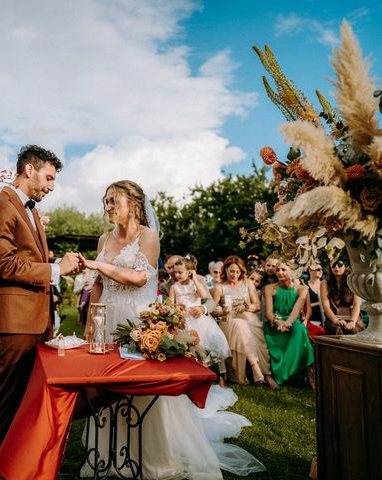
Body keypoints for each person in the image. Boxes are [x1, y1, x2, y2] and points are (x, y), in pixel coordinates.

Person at [80, 180, 265, 479]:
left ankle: (154, 457)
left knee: (142, 388)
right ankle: (110, 453)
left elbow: (140, 278)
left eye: (114, 201)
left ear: (134, 205)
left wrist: (97, 266)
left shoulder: (147, 236)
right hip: (108, 318)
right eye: (106, 201)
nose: (108, 207)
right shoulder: (104, 239)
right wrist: (92, 319)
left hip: (135, 320)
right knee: (109, 385)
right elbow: (99, 285)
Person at [0, 145, 81, 465]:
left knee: (33, 394)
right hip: (15, 321)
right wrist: (56, 269)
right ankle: (1, 464)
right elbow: (6, 265)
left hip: (38, 319)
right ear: (29, 170)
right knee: (9, 394)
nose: (52, 186)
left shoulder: (31, 210)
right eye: (49, 178)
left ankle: (26, 460)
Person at [211, 255, 276, 388]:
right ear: (226, 270)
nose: (234, 274)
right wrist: (223, 311)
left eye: (237, 272)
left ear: (241, 272)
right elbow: (212, 309)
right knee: (240, 326)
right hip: (229, 321)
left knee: (246, 328)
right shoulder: (220, 287)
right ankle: (255, 367)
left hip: (248, 319)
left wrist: (245, 306)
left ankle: (265, 374)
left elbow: (257, 306)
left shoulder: (248, 283)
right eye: (231, 271)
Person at [169, 255, 230, 375]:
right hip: (183, 319)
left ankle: (207, 373)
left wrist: (195, 279)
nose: (176, 275)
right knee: (188, 348)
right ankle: (191, 372)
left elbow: (203, 296)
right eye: (175, 272)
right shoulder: (174, 287)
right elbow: (171, 304)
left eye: (180, 272)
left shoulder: (195, 284)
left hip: (199, 319)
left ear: (189, 272)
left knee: (203, 344)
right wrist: (176, 309)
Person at [262, 259, 314, 386]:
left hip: (293, 321)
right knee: (294, 332)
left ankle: (310, 373)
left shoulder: (302, 289)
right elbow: (268, 313)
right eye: (278, 270)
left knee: (301, 330)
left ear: (292, 272)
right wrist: (279, 323)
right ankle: (286, 373)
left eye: (283, 269)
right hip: (274, 323)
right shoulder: (270, 288)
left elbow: (296, 310)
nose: (279, 272)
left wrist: (287, 323)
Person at [321, 259, 363, 335]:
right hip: (333, 319)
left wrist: (352, 322)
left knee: (353, 331)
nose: (336, 267)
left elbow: (357, 304)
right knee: (338, 331)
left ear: (346, 266)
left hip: (353, 318)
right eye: (333, 265)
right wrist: (336, 320)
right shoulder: (325, 283)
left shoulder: (353, 282)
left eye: (340, 265)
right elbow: (325, 306)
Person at [304, 262, 326, 339]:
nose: (321, 271)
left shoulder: (325, 285)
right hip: (312, 319)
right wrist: (319, 303)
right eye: (318, 269)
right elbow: (304, 305)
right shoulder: (305, 286)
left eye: (321, 269)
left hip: (325, 318)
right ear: (310, 271)